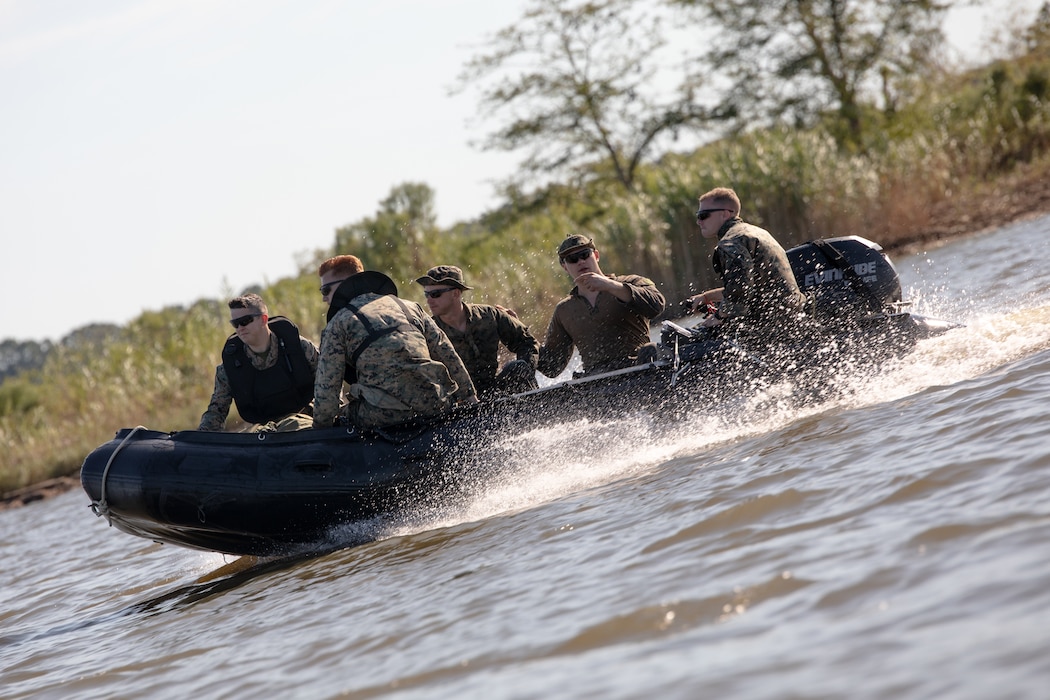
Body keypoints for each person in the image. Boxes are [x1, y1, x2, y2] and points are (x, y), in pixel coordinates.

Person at [313, 257, 478, 430]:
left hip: (381, 414)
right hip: (435, 404)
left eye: (325, 290)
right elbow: (446, 352)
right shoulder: (411, 307)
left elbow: (327, 390)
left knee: (343, 415)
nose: (324, 298)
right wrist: (470, 398)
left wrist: (320, 431)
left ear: (344, 284)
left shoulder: (338, 323)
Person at [685, 187, 808, 341]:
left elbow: (740, 288)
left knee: (689, 337)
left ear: (725, 213)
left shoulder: (730, 242)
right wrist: (706, 297)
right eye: (698, 216)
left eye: (703, 215)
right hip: (793, 317)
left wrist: (718, 316)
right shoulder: (757, 232)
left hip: (769, 325)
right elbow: (750, 286)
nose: (699, 221)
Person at [538, 235, 666, 378]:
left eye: (584, 255)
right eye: (572, 259)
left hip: (638, 371)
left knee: (651, 350)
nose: (580, 261)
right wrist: (521, 335)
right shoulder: (564, 310)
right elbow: (552, 366)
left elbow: (657, 305)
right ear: (565, 267)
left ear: (596, 255)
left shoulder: (632, 282)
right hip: (596, 380)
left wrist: (610, 286)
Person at [199, 293, 319, 432]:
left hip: (306, 423)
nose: (240, 328)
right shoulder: (230, 366)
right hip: (262, 431)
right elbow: (216, 410)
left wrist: (326, 418)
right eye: (235, 324)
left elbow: (329, 382)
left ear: (263, 319)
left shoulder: (298, 347)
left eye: (245, 321)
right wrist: (200, 440)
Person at [415, 265, 539, 397]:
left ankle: (537, 407)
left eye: (435, 294)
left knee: (518, 367)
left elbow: (526, 342)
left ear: (455, 293)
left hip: (494, 392)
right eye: (426, 294)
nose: (429, 301)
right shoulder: (428, 332)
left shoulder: (488, 315)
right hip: (459, 403)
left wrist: (527, 372)